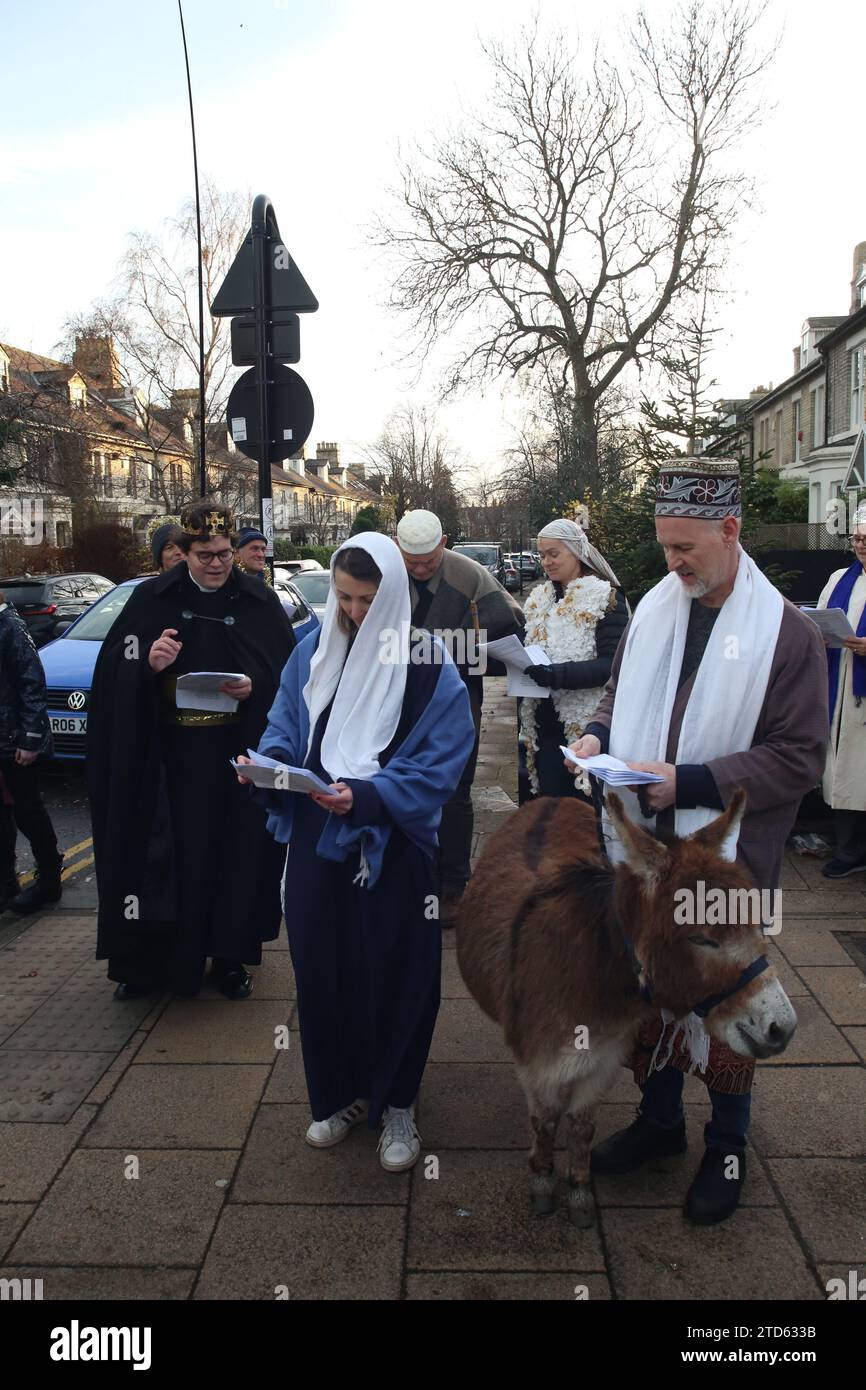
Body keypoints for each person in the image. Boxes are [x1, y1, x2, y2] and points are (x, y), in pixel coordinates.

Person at [567, 459, 828, 1225]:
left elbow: (799, 756)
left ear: (730, 531)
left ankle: (728, 1143)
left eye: (687, 548)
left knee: (725, 996)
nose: (672, 563)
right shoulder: (655, 607)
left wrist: (692, 781)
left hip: (726, 859)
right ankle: (659, 1122)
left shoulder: (788, 634)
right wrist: (594, 733)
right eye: (664, 546)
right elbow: (621, 692)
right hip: (645, 855)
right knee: (652, 987)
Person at [240, 533, 475, 1171]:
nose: (353, 613)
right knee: (323, 968)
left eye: (367, 600)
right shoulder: (312, 648)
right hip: (318, 839)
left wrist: (369, 798)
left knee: (397, 970)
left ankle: (399, 1101)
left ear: (393, 593)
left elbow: (441, 763)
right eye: (343, 598)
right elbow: (286, 721)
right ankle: (340, 1093)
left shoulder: (427, 664)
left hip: (389, 845)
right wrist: (268, 764)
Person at [87, 501, 295, 1001]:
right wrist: (147, 665)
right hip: (168, 764)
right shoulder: (151, 598)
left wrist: (255, 685)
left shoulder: (258, 601)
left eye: (224, 553)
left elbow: (287, 677)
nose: (217, 564)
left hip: (233, 760)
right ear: (184, 552)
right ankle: (148, 964)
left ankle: (228, 958)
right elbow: (113, 672)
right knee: (159, 860)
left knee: (234, 858)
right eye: (205, 554)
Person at [395, 509, 524, 922]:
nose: (417, 569)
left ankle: (452, 887)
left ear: (444, 542)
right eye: (409, 560)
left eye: (427, 562)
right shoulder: (386, 572)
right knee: (398, 785)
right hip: (396, 699)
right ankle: (408, 879)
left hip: (456, 698)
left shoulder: (470, 576)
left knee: (454, 791)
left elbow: (512, 631)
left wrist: (448, 652)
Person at [518, 517, 628, 803]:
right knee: (550, 812)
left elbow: (612, 666)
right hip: (542, 726)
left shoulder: (606, 599)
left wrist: (557, 675)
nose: (546, 562)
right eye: (542, 555)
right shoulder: (538, 599)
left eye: (554, 554)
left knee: (582, 812)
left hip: (586, 726)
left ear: (577, 552)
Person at [0, 592, 64, 913]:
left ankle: (50, 879)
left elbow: (31, 683)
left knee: (28, 811)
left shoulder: (8, 626)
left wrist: (30, 737)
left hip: (13, 739)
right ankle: (6, 883)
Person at [816, 503, 866, 877]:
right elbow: (818, 620)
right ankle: (849, 852)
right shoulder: (839, 580)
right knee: (846, 773)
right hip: (843, 687)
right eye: (857, 538)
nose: (861, 545)